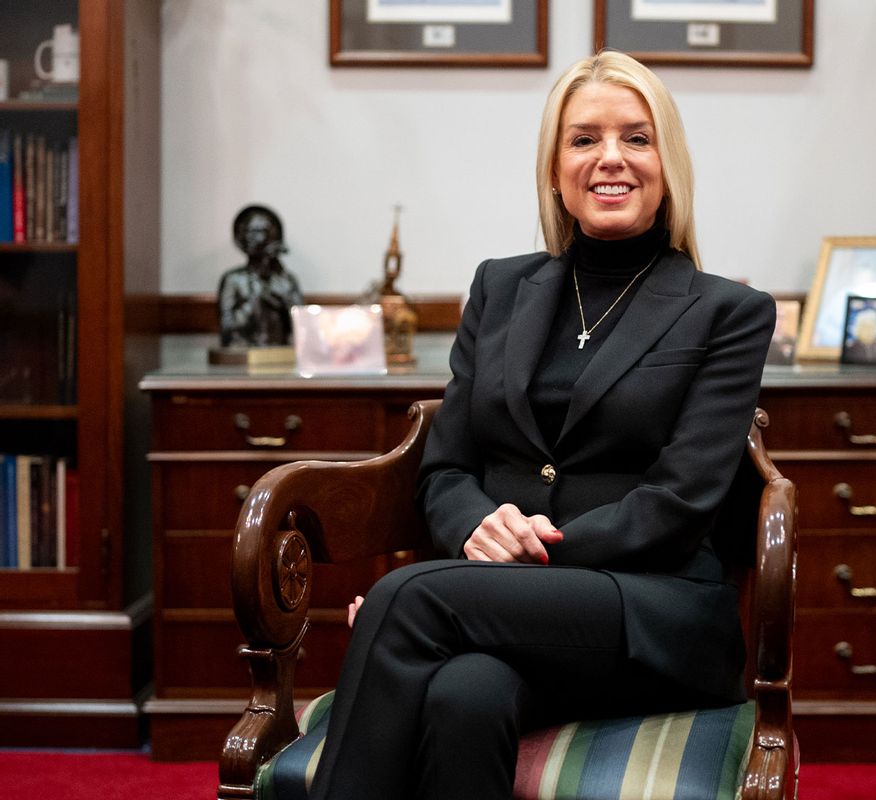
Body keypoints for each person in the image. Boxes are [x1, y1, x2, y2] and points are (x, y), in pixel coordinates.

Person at [307, 51, 775, 800]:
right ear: (556, 168)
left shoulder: (728, 312)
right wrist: (472, 535)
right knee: (467, 696)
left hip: (648, 612)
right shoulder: (499, 287)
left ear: (668, 162)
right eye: (584, 139)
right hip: (506, 615)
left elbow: (680, 503)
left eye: (637, 137)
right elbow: (447, 468)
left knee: (406, 598)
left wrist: (512, 560)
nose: (610, 159)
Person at [216, 204, 304, 347]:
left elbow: (302, 329)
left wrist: (285, 299)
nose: (250, 237)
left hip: (279, 354)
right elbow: (227, 329)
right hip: (243, 355)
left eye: (258, 231)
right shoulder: (233, 280)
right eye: (247, 231)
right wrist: (255, 299)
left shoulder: (286, 281)